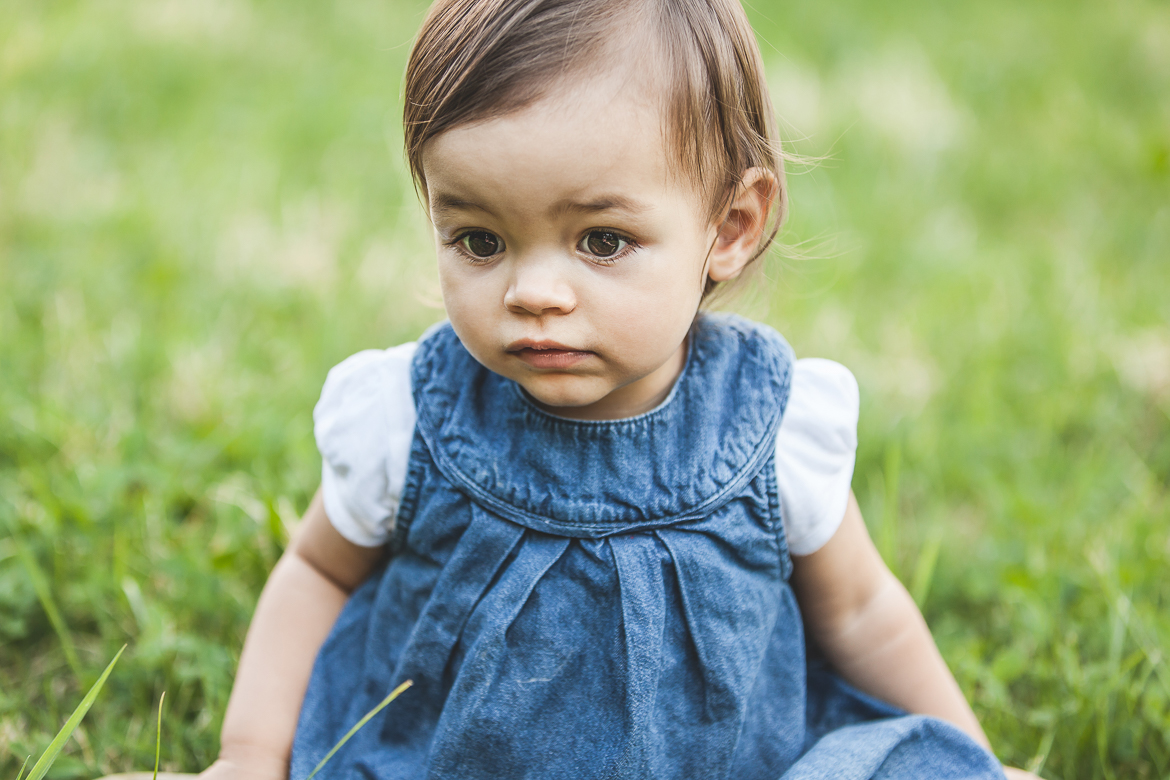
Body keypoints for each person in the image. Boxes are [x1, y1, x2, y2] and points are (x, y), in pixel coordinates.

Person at [192, 1, 1039, 778]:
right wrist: (248, 755)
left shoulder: (773, 431)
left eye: (601, 240)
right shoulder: (414, 416)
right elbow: (315, 571)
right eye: (480, 240)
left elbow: (862, 615)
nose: (535, 291)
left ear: (730, 227)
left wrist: (978, 761)